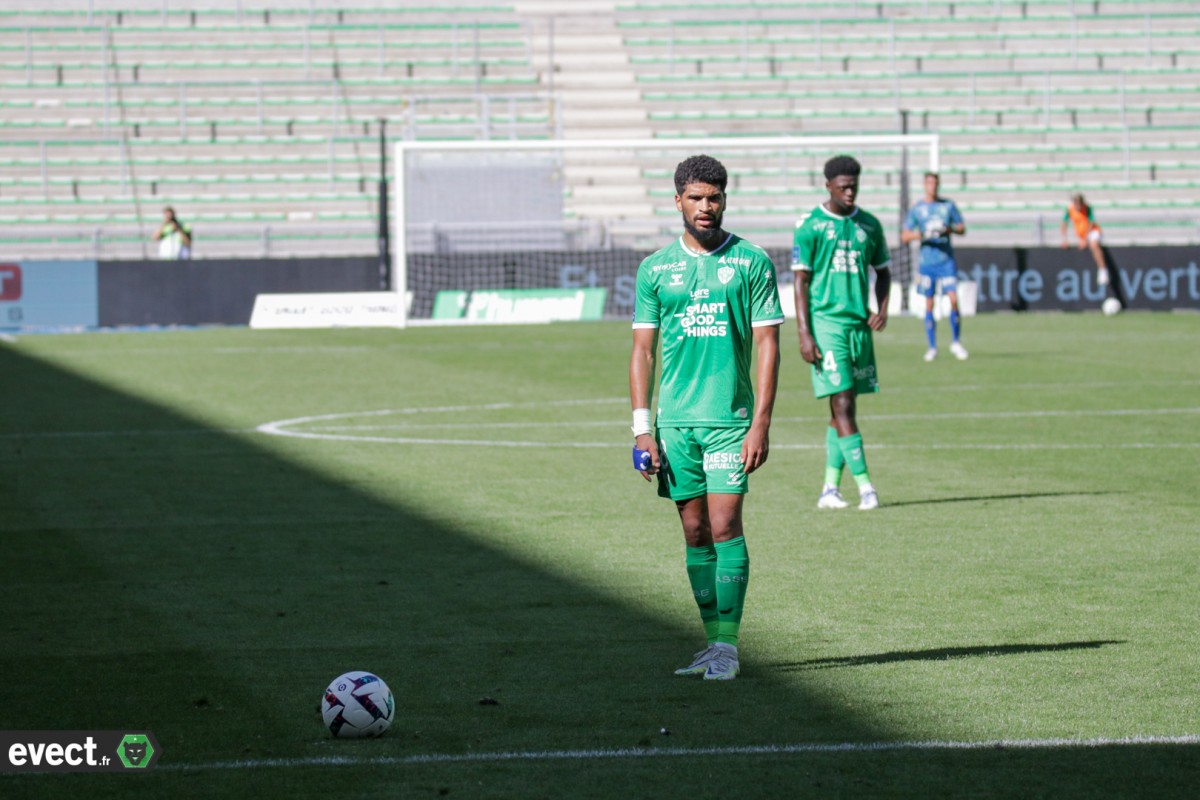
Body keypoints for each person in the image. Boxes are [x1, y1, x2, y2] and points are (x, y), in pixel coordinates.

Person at [629, 154, 784, 681]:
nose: (705, 206)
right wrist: (641, 427)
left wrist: (760, 422)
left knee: (724, 525)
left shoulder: (751, 263)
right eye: (695, 197)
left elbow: (768, 344)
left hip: (728, 419)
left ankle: (729, 646)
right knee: (694, 531)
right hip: (674, 424)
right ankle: (711, 642)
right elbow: (642, 352)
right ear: (678, 201)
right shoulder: (654, 269)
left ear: (725, 199)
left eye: (714, 197)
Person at [792, 155, 891, 511]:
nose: (850, 192)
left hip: (857, 327)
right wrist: (804, 333)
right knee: (844, 403)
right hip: (826, 325)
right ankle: (867, 488)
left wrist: (882, 307)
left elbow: (884, 270)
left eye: (854, 186)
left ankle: (829, 489)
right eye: (843, 187)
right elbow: (800, 280)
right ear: (828, 186)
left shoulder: (870, 225)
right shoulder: (810, 225)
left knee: (841, 409)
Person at [901, 172, 967, 362]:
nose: (933, 186)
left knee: (953, 299)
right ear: (924, 185)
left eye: (935, 183)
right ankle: (932, 347)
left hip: (946, 261)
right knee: (929, 303)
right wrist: (922, 234)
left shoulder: (947, 206)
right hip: (927, 264)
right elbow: (905, 236)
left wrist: (949, 229)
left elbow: (962, 228)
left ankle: (956, 342)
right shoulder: (918, 209)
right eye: (929, 183)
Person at [1060, 193, 1108, 288]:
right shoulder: (1070, 209)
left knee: (1094, 245)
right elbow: (1064, 223)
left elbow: (1091, 223)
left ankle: (1103, 271)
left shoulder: (1087, 208)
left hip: (1093, 232)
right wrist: (1064, 239)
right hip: (1081, 235)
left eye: (1079, 204)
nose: (1078, 206)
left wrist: (1085, 239)